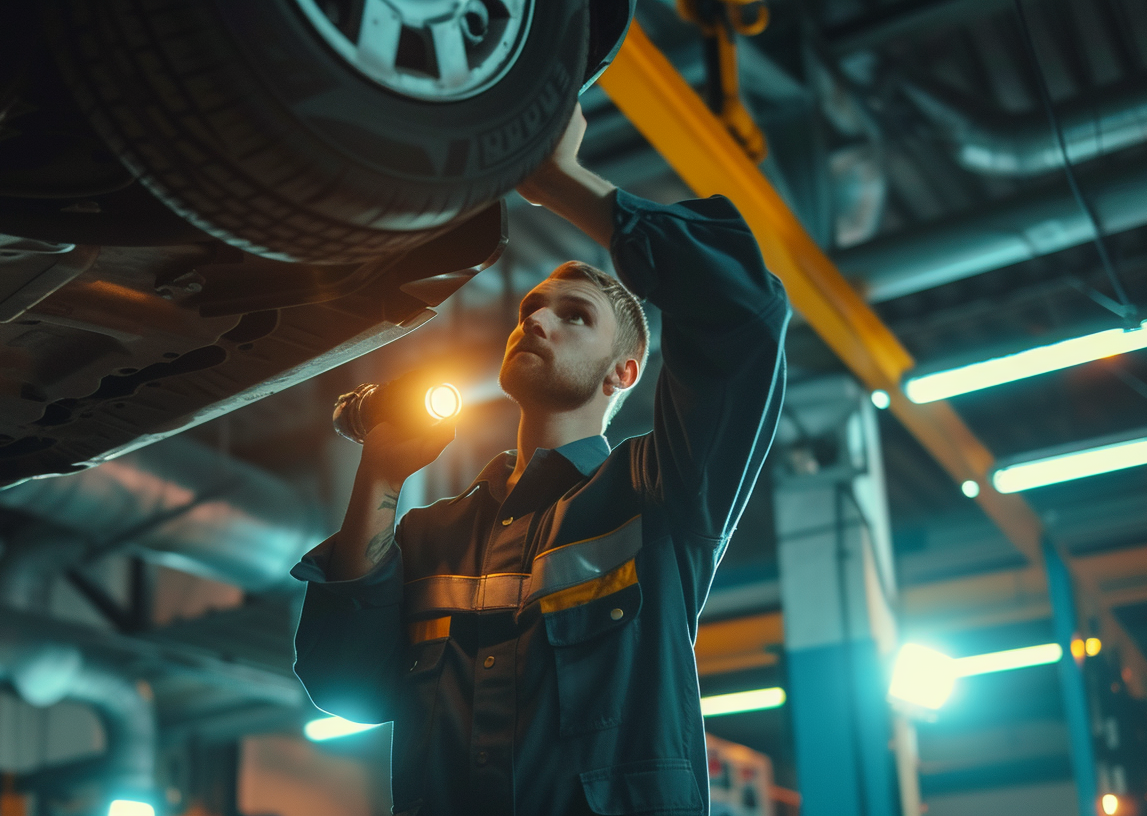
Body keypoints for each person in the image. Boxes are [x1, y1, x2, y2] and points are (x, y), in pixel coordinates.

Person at [290, 104, 790, 816]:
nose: (538, 320)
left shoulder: (661, 494)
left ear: (624, 372)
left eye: (575, 315)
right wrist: (381, 475)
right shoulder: (433, 536)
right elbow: (348, 688)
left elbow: (742, 311)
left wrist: (559, 181)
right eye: (532, 309)